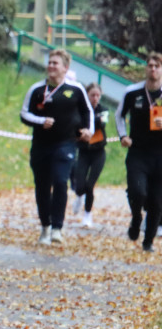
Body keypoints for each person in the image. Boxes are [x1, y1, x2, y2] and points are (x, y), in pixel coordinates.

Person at [20, 49, 93, 245]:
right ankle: (45, 226)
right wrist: (40, 120)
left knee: (61, 181)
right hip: (41, 145)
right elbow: (24, 114)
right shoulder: (36, 89)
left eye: (56, 63)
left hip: (66, 144)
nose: (51, 66)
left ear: (65, 68)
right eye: (50, 62)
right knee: (42, 186)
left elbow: (88, 112)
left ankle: (57, 228)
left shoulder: (76, 89)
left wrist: (88, 131)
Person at [115, 53, 162, 252]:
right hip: (138, 152)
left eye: (157, 66)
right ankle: (136, 219)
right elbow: (119, 115)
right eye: (150, 65)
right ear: (145, 68)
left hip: (160, 154)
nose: (152, 69)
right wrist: (123, 136)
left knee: (157, 202)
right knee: (137, 192)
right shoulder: (132, 92)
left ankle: (148, 242)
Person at [70, 82, 108, 227]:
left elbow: (102, 123)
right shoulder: (80, 110)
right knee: (80, 185)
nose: (95, 98)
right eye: (92, 95)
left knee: (90, 185)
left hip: (98, 153)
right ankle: (79, 196)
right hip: (84, 152)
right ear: (87, 95)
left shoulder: (103, 109)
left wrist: (90, 121)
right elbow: (77, 124)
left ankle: (87, 214)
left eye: (98, 95)